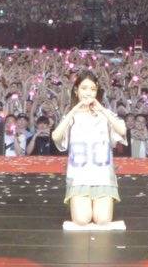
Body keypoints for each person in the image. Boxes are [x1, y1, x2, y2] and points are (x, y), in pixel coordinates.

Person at [53, 72, 123, 227]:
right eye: (84, 88)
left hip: (103, 176)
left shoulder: (104, 114)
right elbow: (56, 136)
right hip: (79, 176)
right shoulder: (72, 115)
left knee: (103, 220)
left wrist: (101, 108)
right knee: (82, 220)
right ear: (76, 90)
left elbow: (122, 130)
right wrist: (75, 108)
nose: (88, 92)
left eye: (92, 89)